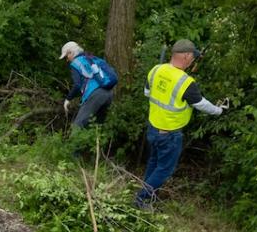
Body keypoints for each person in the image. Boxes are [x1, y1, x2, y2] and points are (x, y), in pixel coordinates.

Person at [135, 39, 228, 210]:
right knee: (164, 169)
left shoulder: (156, 70)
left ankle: (147, 197)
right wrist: (219, 110)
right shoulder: (185, 82)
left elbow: (147, 93)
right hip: (169, 134)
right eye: (193, 57)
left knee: (154, 163)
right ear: (186, 56)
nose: (193, 60)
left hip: (153, 128)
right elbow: (201, 104)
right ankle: (141, 199)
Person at [60, 41, 118, 129]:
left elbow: (77, 85)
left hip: (95, 94)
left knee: (78, 126)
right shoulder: (93, 58)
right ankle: (96, 143)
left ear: (71, 52)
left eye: (66, 56)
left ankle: (72, 142)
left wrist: (68, 99)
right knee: (96, 128)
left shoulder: (75, 63)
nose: (67, 60)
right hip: (109, 94)